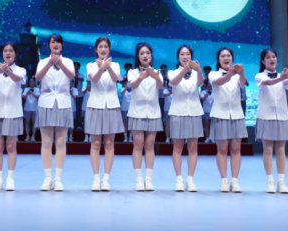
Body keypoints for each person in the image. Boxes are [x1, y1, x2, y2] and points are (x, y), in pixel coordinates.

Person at [35, 34, 75, 191]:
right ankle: (47, 178)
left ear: (62, 45)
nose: (56, 44)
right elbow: (38, 77)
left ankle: (58, 178)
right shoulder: (42, 62)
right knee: (46, 143)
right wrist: (50, 63)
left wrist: (60, 63)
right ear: (48, 45)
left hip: (63, 102)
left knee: (60, 142)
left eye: (58, 42)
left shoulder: (68, 61)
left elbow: (71, 76)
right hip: (46, 102)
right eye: (53, 42)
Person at [85, 36, 124, 192]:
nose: (103, 49)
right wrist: (101, 67)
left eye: (105, 47)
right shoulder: (90, 65)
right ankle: (96, 178)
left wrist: (108, 67)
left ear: (109, 49)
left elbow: (115, 79)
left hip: (112, 105)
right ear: (96, 49)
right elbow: (94, 80)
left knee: (109, 144)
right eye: (100, 47)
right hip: (95, 105)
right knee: (95, 143)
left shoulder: (116, 65)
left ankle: (106, 178)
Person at [0, 41, 26, 191]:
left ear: (15, 54)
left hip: (13, 111)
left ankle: (10, 178)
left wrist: (8, 70)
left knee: (11, 146)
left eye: (11, 51)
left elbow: (18, 79)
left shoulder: (20, 70)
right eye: (5, 51)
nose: (8, 53)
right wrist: (0, 70)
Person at [255, 48, 288, 194]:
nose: (272, 59)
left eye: (274, 56)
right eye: (268, 57)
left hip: (281, 115)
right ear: (263, 61)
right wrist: (282, 77)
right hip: (266, 115)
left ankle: (281, 181)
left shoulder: (281, 76)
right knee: (267, 149)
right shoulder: (259, 76)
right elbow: (267, 82)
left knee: (280, 149)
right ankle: (270, 181)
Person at [209, 47, 248, 193]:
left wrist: (240, 73)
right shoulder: (213, 73)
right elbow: (217, 82)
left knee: (236, 148)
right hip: (220, 114)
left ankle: (235, 180)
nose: (226, 58)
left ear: (232, 58)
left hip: (236, 114)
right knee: (222, 149)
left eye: (229, 55)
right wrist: (230, 74)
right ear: (218, 59)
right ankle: (224, 180)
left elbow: (243, 84)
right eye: (223, 56)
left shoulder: (237, 75)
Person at [168, 45, 205, 192]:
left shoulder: (196, 73)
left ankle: (190, 179)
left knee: (193, 147)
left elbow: (201, 83)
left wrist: (199, 70)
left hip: (194, 111)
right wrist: (184, 70)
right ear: (178, 57)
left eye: (188, 54)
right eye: (182, 54)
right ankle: (179, 179)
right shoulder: (173, 72)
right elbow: (174, 82)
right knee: (177, 146)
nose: (185, 56)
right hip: (178, 111)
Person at [127, 42, 164, 191]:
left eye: (147, 53)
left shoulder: (157, 72)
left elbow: (160, 86)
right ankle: (138, 179)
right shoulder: (132, 72)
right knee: (138, 145)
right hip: (137, 112)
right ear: (138, 56)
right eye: (142, 53)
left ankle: (148, 179)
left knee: (149, 145)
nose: (145, 55)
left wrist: (156, 77)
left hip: (153, 112)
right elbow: (133, 85)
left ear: (151, 55)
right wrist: (141, 77)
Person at [22, 77, 39, 141]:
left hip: (35, 108)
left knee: (34, 122)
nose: (31, 82)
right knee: (27, 122)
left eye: (32, 81)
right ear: (29, 82)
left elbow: (37, 96)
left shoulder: (37, 89)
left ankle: (33, 136)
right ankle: (27, 136)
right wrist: (27, 93)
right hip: (27, 108)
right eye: (30, 81)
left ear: (34, 82)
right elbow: (24, 97)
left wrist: (31, 93)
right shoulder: (26, 89)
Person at [200, 78, 214, 144]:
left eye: (210, 84)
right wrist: (205, 96)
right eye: (208, 84)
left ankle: (212, 137)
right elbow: (203, 99)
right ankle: (207, 137)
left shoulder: (215, 91)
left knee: (212, 125)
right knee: (206, 124)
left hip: (213, 110)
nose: (209, 85)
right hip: (206, 110)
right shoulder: (203, 92)